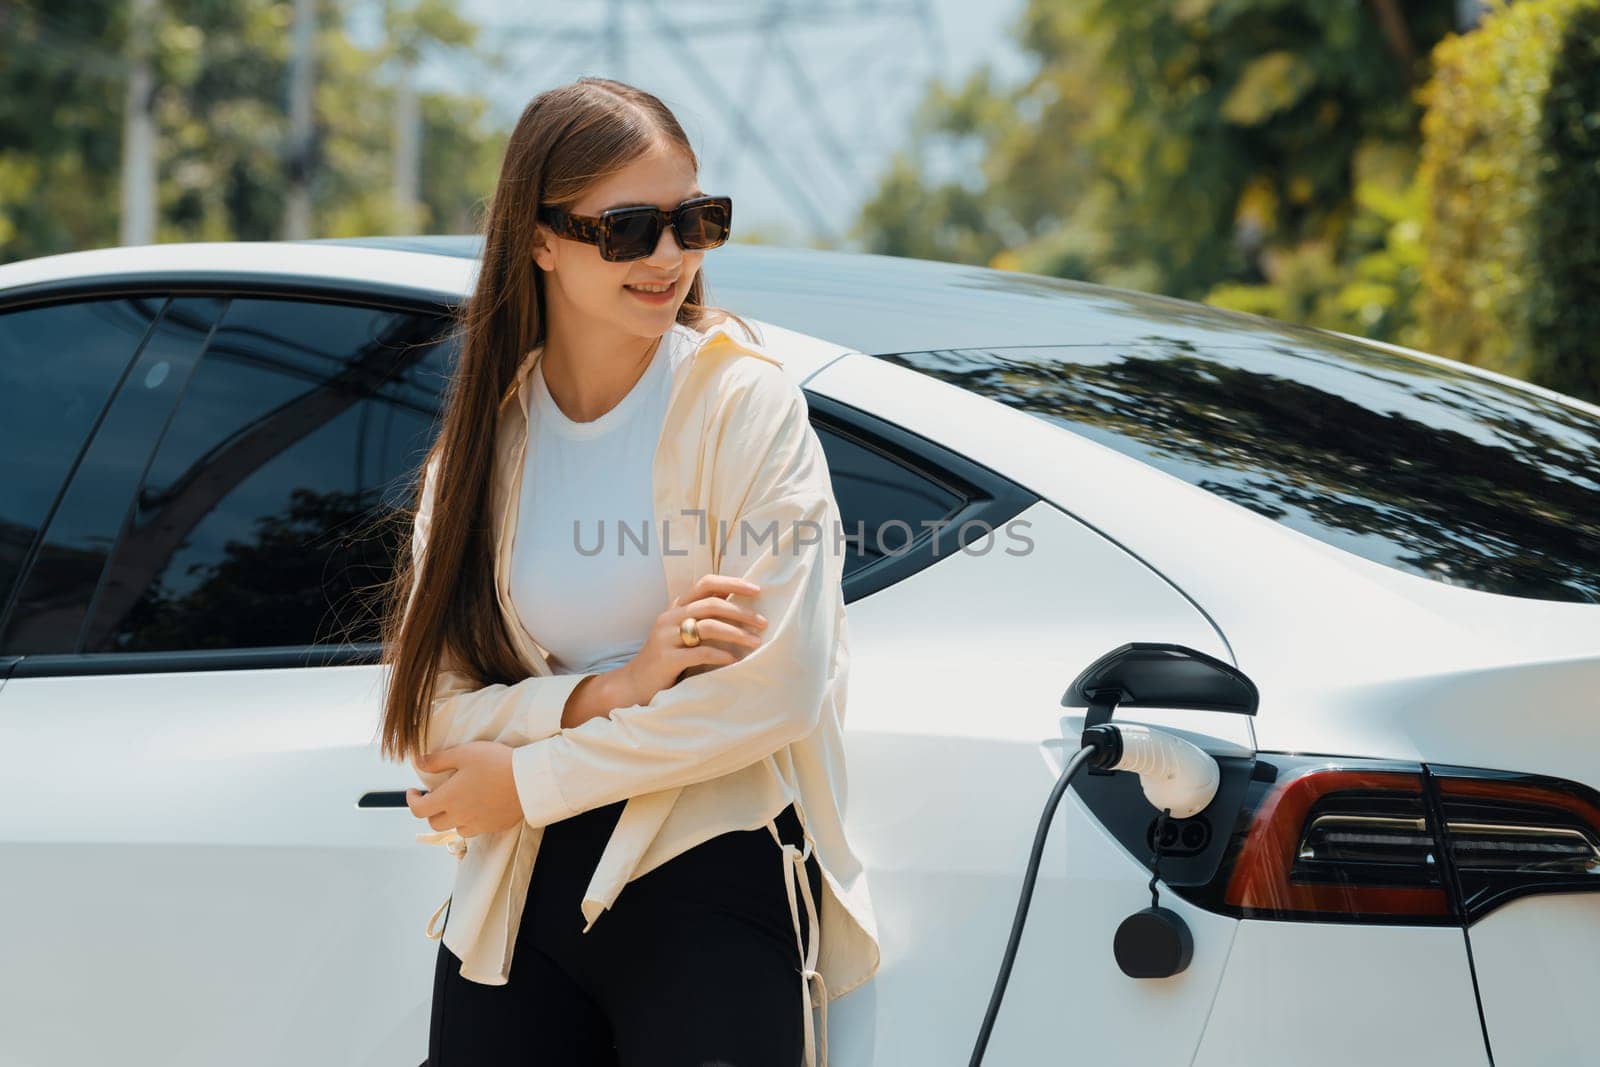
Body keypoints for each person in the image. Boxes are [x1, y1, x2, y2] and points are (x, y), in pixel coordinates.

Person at [376, 76, 880, 1067]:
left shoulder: (746, 405)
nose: (670, 257)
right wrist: (612, 688)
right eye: (629, 229)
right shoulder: (482, 442)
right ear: (539, 240)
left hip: (708, 876)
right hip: (513, 902)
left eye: (695, 220)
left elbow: (776, 687)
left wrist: (526, 775)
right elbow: (430, 713)